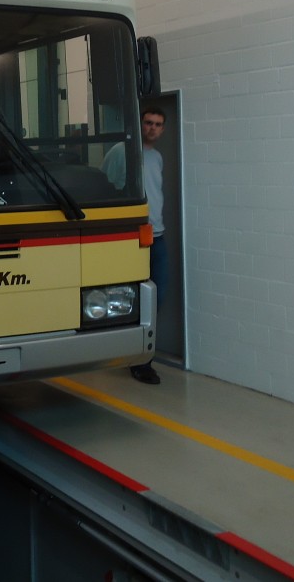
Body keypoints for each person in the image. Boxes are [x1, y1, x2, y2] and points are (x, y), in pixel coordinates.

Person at [132, 107, 167, 384]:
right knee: (138, 299)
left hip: (158, 236)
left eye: (157, 124)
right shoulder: (123, 153)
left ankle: (143, 356)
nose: (152, 128)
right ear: (139, 124)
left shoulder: (156, 157)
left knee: (159, 295)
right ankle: (141, 363)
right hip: (134, 238)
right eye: (148, 123)